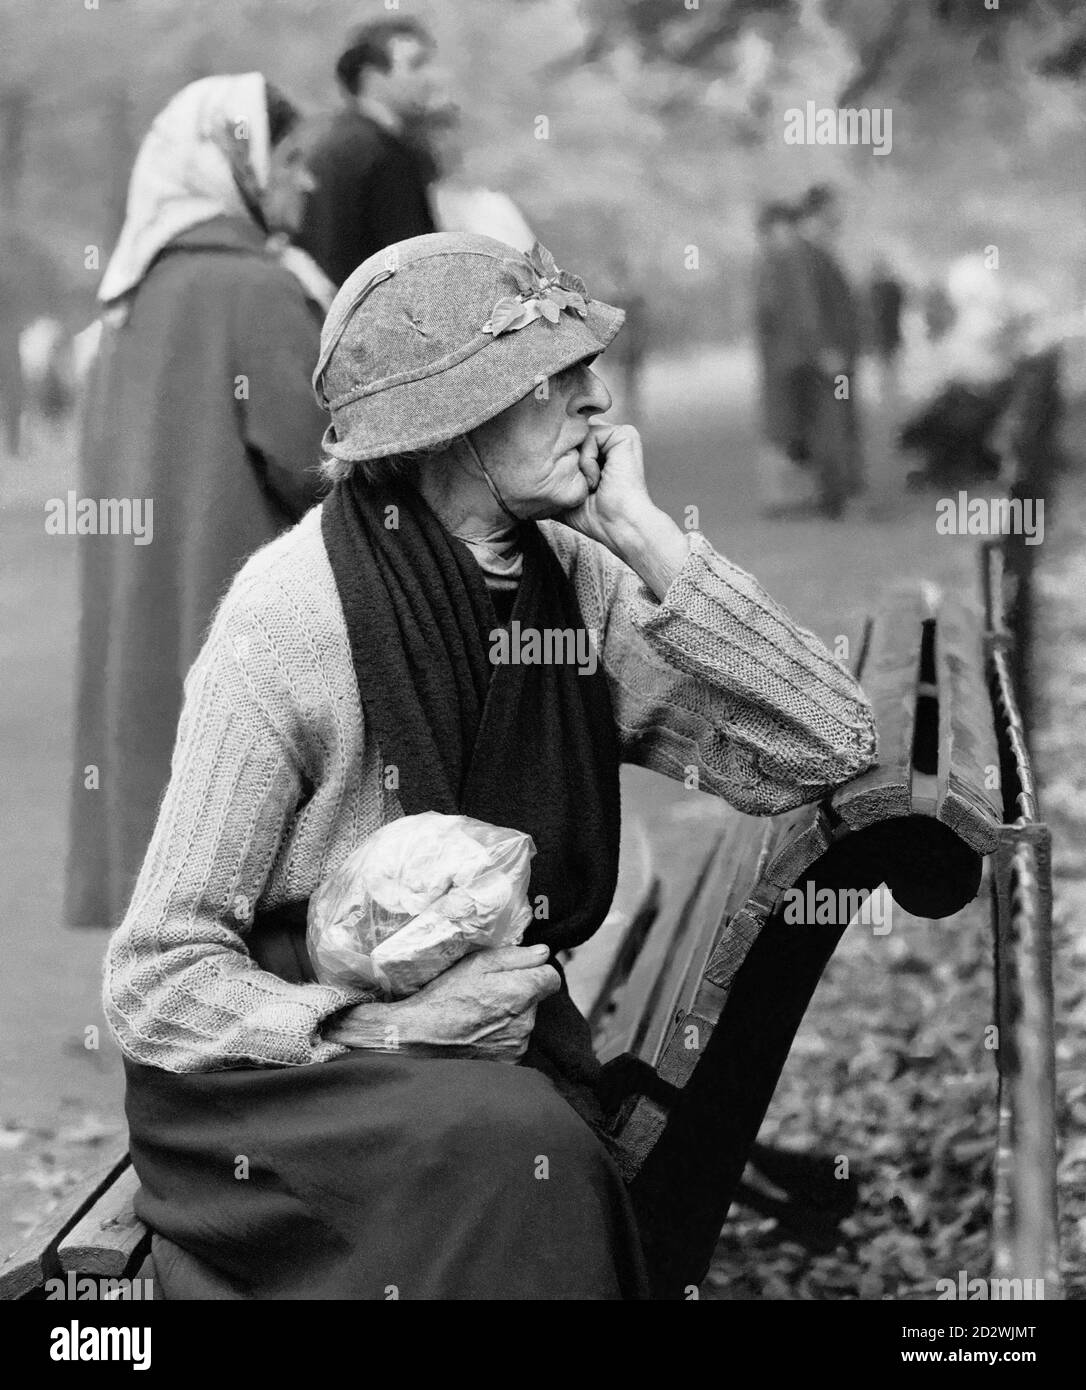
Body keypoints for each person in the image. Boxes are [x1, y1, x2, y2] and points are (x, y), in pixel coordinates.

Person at [104, 231, 877, 1300]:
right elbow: (156, 983)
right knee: (515, 1149)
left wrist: (652, 541)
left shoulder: (579, 584)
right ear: (454, 424)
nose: (600, 402)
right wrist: (383, 1023)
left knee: (515, 1136)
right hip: (279, 1076)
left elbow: (824, 742)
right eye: (556, 381)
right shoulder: (288, 621)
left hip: (476, 1049)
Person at [64, 74, 331, 932]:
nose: (309, 180)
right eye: (291, 159)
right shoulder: (253, 289)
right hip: (242, 625)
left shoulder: (127, 302)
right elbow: (318, 465)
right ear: (238, 168)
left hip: (143, 621)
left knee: (165, 843)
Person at [295, 17, 442, 287]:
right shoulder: (386, 155)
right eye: (416, 65)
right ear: (372, 78)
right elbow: (415, 266)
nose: (430, 79)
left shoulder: (330, 142)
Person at [794, 183, 865, 516]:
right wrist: (824, 349)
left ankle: (842, 493)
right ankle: (836, 497)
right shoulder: (807, 253)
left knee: (840, 422)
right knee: (831, 424)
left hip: (838, 354)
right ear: (820, 209)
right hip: (829, 358)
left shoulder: (820, 249)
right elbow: (808, 308)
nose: (842, 214)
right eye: (836, 207)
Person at [752, 199, 822, 515]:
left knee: (796, 426)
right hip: (784, 359)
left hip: (793, 358)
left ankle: (795, 495)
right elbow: (779, 313)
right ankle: (782, 497)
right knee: (782, 428)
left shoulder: (784, 261)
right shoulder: (776, 263)